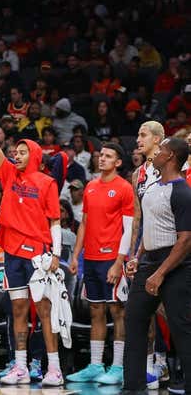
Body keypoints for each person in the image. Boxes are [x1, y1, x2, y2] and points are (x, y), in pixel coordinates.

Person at [0, 83, 64, 386]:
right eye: (14, 151)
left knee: (44, 310)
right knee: (18, 309)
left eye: (21, 151)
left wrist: (56, 254)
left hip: (39, 253)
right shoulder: (7, 174)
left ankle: (53, 368)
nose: (15, 155)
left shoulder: (46, 182)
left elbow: (55, 221)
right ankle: (19, 366)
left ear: (33, 154)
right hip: (12, 250)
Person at [124, 137, 191, 394]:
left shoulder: (183, 192)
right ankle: (133, 388)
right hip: (149, 261)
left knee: (181, 328)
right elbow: (149, 228)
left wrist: (161, 273)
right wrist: (137, 258)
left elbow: (185, 241)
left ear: (171, 156)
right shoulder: (151, 187)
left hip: (176, 265)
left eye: (161, 149)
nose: (157, 153)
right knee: (134, 321)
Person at [67, 143, 134, 385]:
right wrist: (76, 255)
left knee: (117, 312)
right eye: (100, 155)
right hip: (91, 259)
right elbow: (83, 223)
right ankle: (95, 366)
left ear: (117, 162)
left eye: (108, 156)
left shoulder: (125, 188)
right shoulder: (91, 187)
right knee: (95, 310)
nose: (101, 159)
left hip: (111, 258)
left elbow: (129, 228)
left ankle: (117, 367)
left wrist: (119, 261)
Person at [130, 120, 167, 386]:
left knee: (175, 313)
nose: (138, 140)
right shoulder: (137, 175)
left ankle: (166, 362)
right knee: (144, 312)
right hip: (149, 249)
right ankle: (151, 366)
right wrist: (134, 253)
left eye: (143, 135)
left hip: (176, 249)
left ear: (158, 139)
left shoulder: (177, 167)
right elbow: (139, 219)